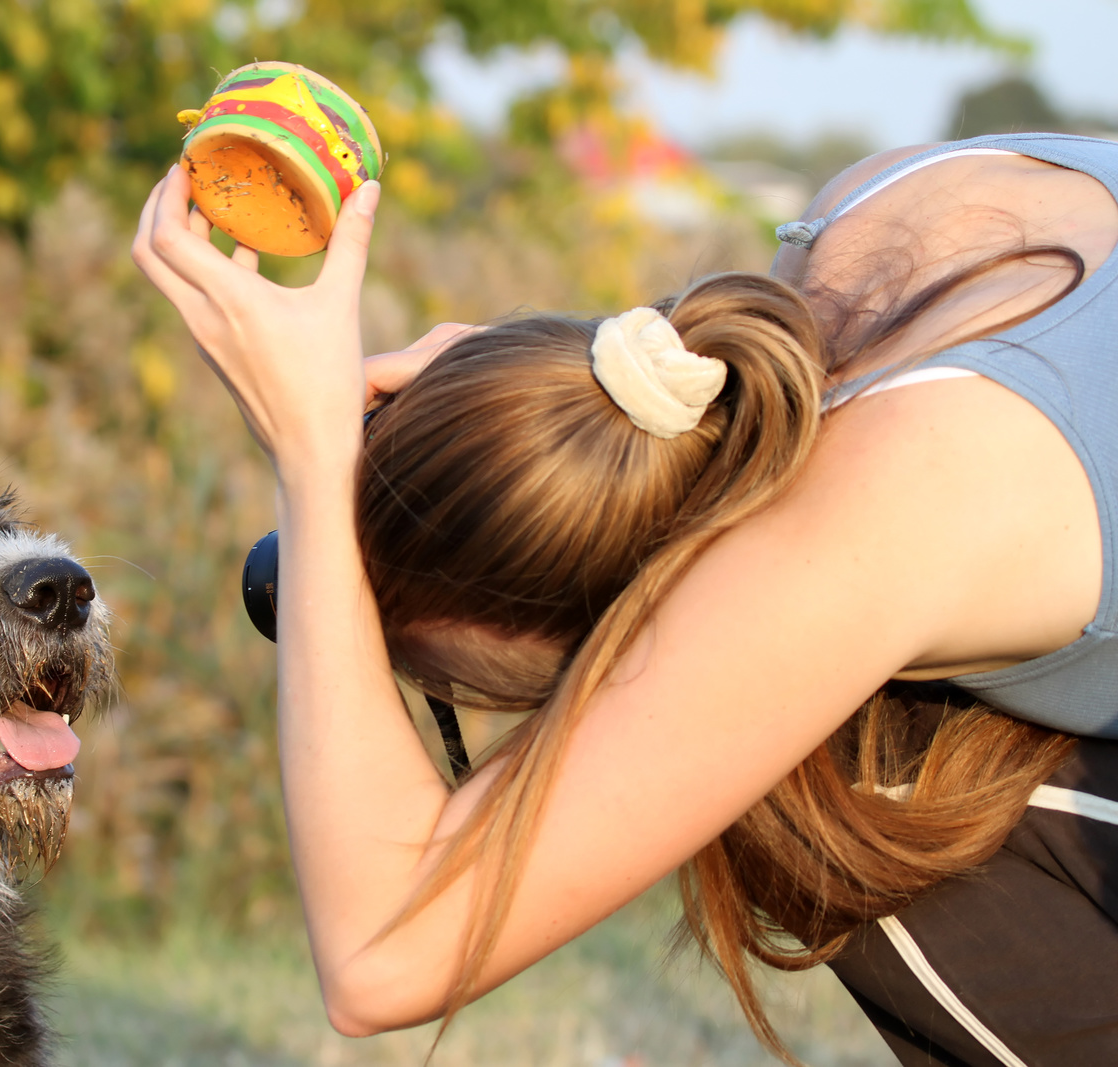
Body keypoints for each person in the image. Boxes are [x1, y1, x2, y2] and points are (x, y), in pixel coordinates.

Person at [132, 131, 1118, 1066]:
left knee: (833, 786)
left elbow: (380, 956)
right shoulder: (874, 215)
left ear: (611, 635)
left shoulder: (875, 512)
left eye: (537, 709)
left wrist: (313, 465)